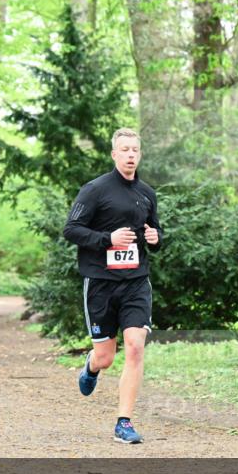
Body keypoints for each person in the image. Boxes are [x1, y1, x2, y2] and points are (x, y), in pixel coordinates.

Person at [63, 128, 163, 444]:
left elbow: (155, 232)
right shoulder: (95, 190)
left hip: (135, 281)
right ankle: (92, 368)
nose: (131, 155)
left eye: (135, 149)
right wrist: (108, 240)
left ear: (140, 154)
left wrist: (156, 238)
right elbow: (71, 230)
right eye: (125, 149)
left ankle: (124, 422)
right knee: (106, 357)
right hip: (101, 284)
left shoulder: (147, 193)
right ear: (114, 154)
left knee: (135, 345)